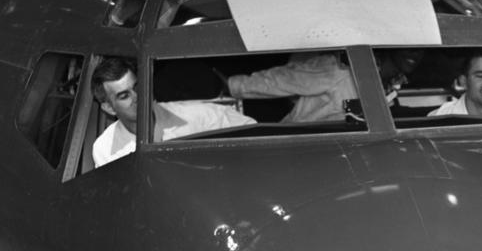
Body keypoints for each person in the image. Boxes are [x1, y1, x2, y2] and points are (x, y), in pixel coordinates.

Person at [91, 57, 254, 167]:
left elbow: (252, 130)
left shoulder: (195, 115)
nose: (137, 97)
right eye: (124, 96)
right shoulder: (105, 149)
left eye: (137, 87)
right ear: (109, 108)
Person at [225, 52, 358, 122]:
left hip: (288, 129)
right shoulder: (344, 73)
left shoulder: (342, 72)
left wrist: (233, 86)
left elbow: (284, 80)